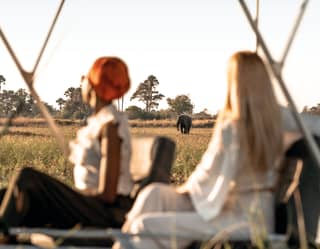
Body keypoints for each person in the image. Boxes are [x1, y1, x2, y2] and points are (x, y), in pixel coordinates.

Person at [113, 51, 320, 249]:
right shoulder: (283, 119)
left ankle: (125, 242)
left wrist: (187, 193)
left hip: (236, 216)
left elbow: (214, 174)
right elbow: (315, 125)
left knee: (145, 226)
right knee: (154, 194)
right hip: (238, 207)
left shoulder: (233, 126)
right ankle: (124, 243)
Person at [0, 57, 134, 236]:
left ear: (94, 85)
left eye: (86, 79)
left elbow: (108, 195)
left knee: (27, 178)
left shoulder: (110, 126)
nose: (82, 83)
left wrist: (66, 198)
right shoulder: (100, 122)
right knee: (6, 194)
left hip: (106, 212)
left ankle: (3, 238)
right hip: (92, 204)